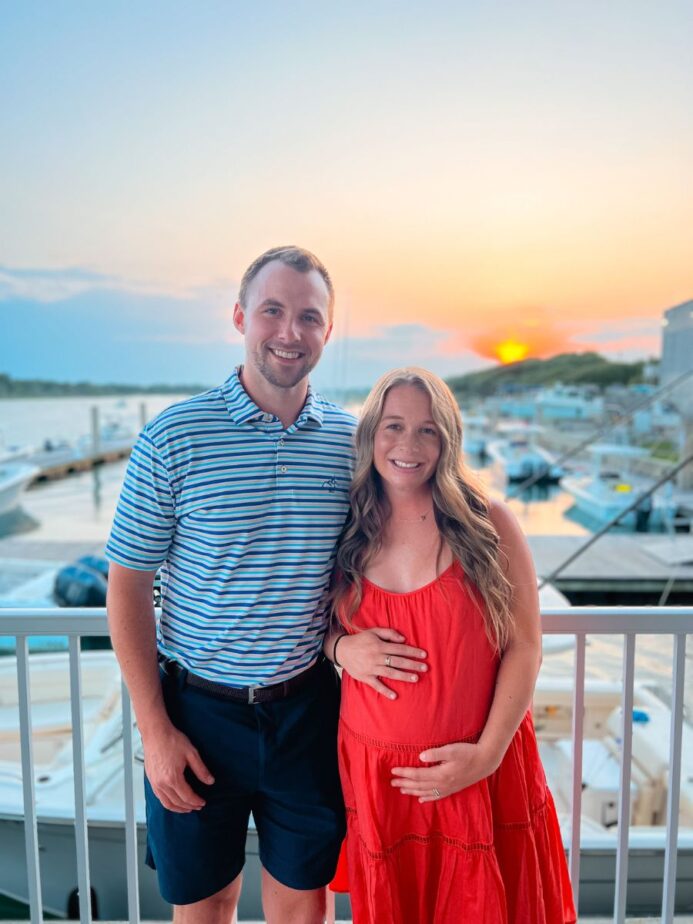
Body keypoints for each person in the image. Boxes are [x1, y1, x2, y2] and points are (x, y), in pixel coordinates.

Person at [105, 247, 421, 924]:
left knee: (304, 904)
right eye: (272, 311)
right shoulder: (173, 437)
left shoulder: (349, 442)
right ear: (240, 316)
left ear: (327, 332)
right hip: (196, 712)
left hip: (308, 711)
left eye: (308, 317)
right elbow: (127, 587)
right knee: (204, 903)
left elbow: (403, 536)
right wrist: (155, 731)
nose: (289, 331)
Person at [324, 368, 576, 924]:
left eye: (427, 430)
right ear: (371, 435)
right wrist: (341, 650)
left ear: (448, 439)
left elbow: (525, 647)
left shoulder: (489, 525)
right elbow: (302, 625)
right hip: (378, 779)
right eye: (393, 426)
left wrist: (483, 758)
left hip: (475, 774)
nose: (408, 445)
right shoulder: (345, 526)